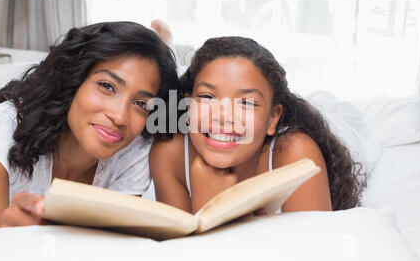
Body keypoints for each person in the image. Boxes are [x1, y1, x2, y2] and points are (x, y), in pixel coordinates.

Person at [0, 21, 179, 227]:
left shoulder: (135, 153)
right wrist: (12, 233)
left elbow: (108, 248)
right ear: (73, 81)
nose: (119, 117)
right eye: (107, 86)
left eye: (140, 103)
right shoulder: (1, 130)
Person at [150, 36, 367, 214]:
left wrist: (218, 206)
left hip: (345, 129)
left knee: (348, 120)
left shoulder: (296, 153)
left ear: (273, 119)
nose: (223, 116)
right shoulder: (168, 153)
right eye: (207, 97)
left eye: (246, 102)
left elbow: (312, 256)